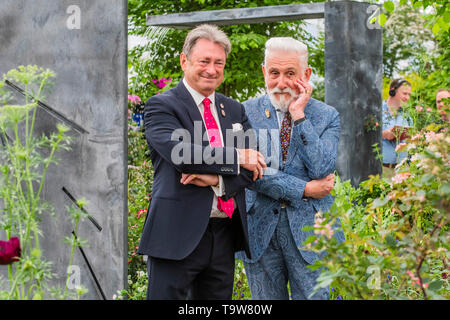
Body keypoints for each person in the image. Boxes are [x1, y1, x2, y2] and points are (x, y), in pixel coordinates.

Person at [137, 24, 266, 300]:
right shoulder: (162, 105)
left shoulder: (233, 109)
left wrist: (217, 179)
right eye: (204, 61)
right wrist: (236, 158)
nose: (212, 69)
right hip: (176, 234)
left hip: (223, 235)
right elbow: (181, 154)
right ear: (184, 61)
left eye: (218, 62)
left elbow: (254, 166)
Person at [236, 37, 345, 300]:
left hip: (313, 233)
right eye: (274, 73)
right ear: (264, 71)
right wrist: (305, 188)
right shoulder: (243, 112)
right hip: (259, 231)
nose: (281, 83)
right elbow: (250, 174)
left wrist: (299, 115)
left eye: (290, 74)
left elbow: (322, 167)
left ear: (306, 74)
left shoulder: (327, 116)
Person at [381, 78, 412, 168]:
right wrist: (384, 134)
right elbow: (364, 136)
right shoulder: (377, 111)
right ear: (393, 91)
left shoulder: (408, 117)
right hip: (381, 168)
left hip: (402, 169)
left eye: (409, 94)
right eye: (404, 93)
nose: (407, 98)